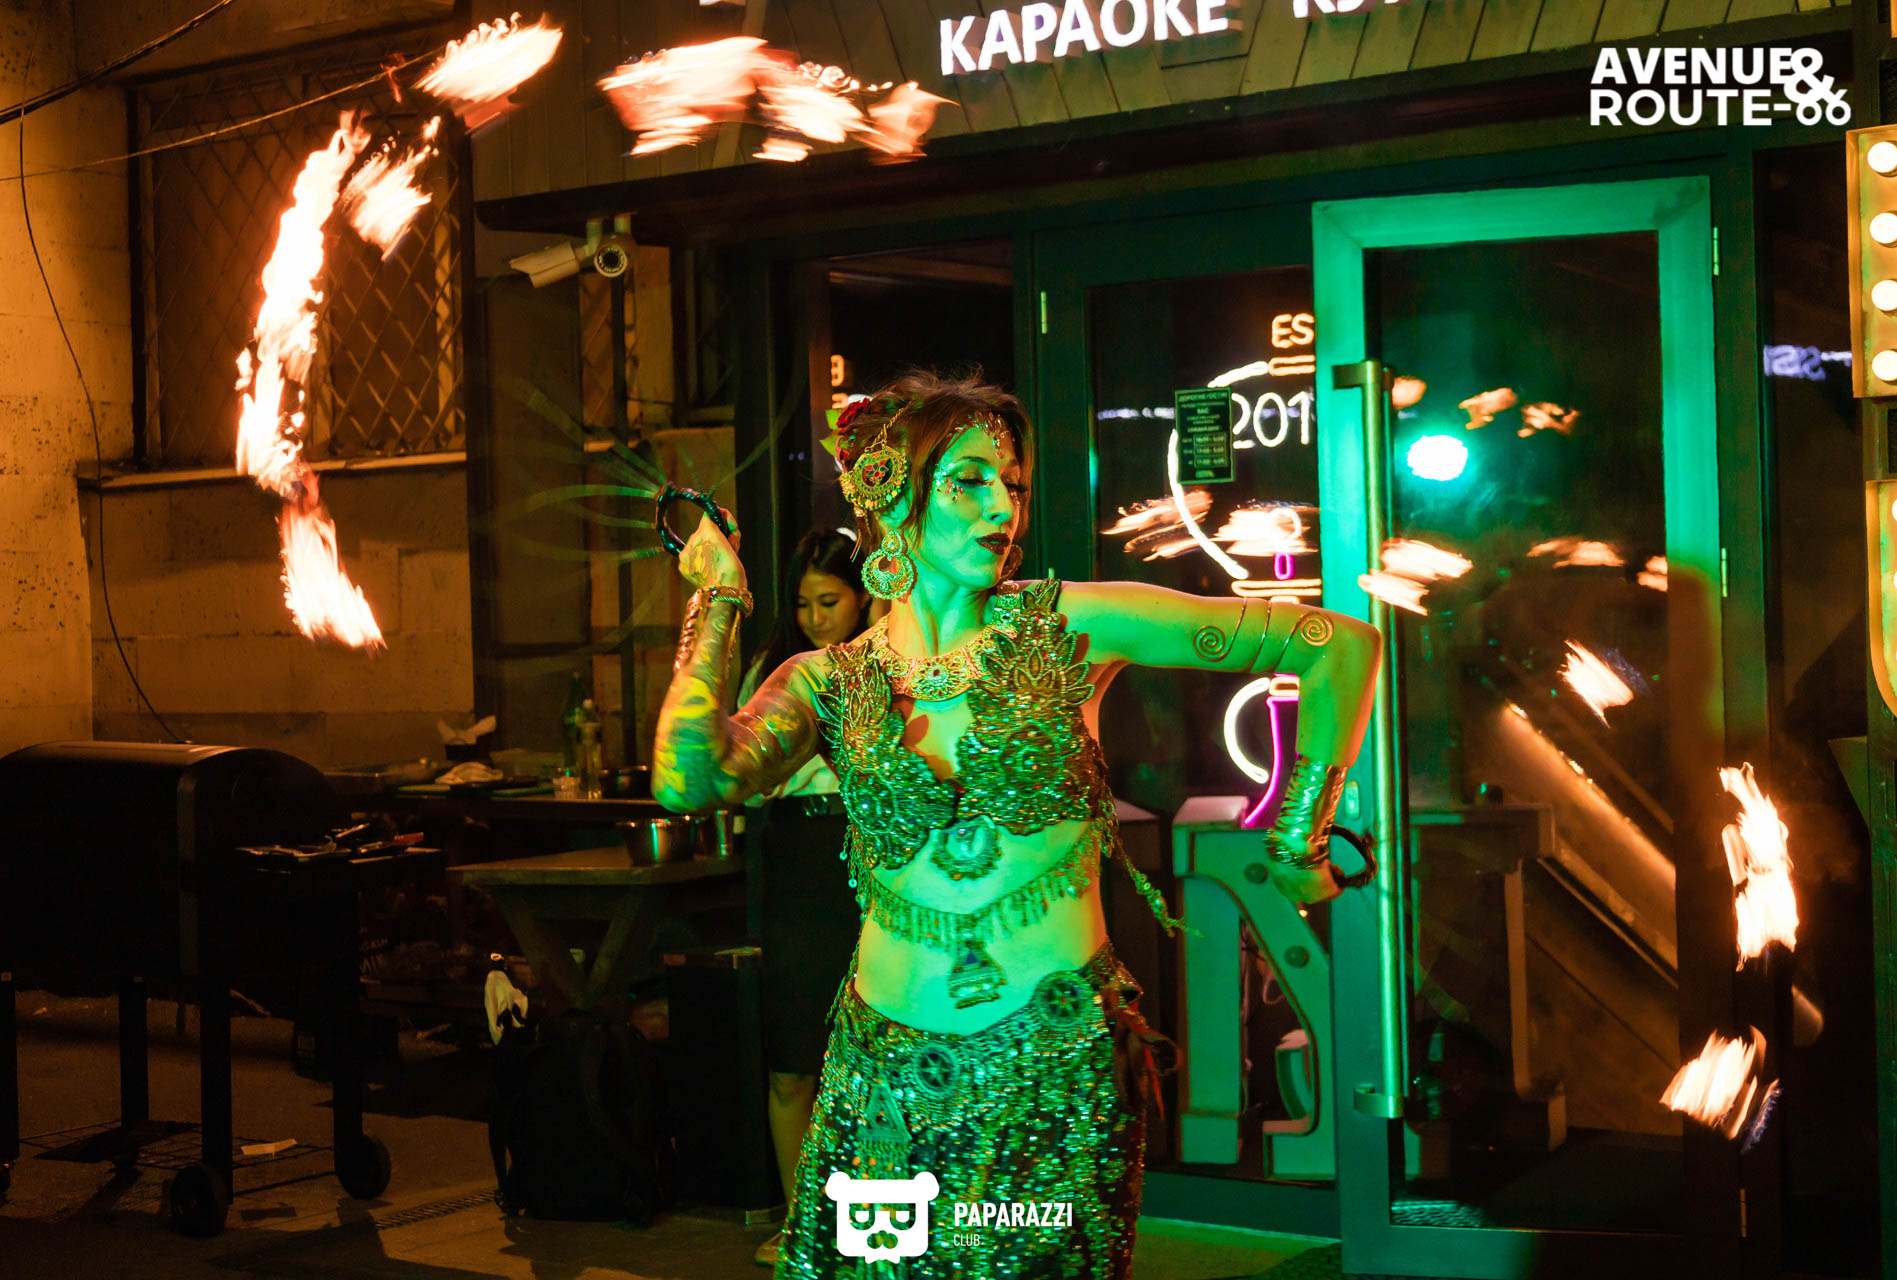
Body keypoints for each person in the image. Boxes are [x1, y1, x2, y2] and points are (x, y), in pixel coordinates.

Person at [654, 371, 1381, 1278]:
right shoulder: (826, 679)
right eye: (968, 481)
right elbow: (688, 780)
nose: (1003, 508)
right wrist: (718, 601)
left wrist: (1298, 836)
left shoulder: (1070, 625)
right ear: (887, 494)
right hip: (881, 1078)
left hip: (1052, 1068)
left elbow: (1336, 646)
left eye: (1013, 485)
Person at [740, 528, 872, 1268]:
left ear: (863, 597)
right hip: (795, 857)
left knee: (879, 1055)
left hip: (871, 854)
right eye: (803, 604)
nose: (817, 618)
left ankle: (879, 1228)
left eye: (830, 601)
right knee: (792, 1055)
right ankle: (802, 1226)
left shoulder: (890, 662)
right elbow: (741, 774)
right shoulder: (777, 673)